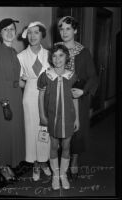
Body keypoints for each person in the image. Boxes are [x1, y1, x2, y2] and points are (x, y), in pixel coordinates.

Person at [57, 16, 98, 179]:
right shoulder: (54, 50)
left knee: (77, 132)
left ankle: (74, 160)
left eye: (68, 28)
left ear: (75, 30)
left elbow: (93, 76)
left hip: (78, 97)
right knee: (59, 130)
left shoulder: (83, 51)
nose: (64, 32)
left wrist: (84, 91)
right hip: (58, 96)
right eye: (61, 28)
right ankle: (60, 161)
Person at [0, 18, 25, 182]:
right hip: (4, 101)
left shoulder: (14, 52)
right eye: (5, 30)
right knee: (3, 135)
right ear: (0, 34)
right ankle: (2, 166)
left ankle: (9, 164)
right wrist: (3, 102)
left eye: (12, 29)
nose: (9, 32)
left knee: (13, 133)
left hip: (16, 98)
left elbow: (17, 76)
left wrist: (24, 82)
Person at [38, 44, 80, 190]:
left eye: (61, 55)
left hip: (69, 118)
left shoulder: (72, 76)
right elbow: (41, 95)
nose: (57, 59)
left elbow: (75, 98)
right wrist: (42, 115)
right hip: (53, 118)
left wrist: (77, 119)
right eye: (54, 56)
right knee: (54, 146)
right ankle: (55, 176)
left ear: (66, 57)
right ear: (51, 58)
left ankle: (63, 174)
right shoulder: (46, 75)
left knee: (66, 146)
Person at [17, 21, 51, 181]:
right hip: (30, 97)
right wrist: (24, 82)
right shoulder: (21, 56)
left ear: (42, 34)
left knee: (45, 129)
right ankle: (36, 165)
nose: (32, 36)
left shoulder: (50, 54)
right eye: (29, 33)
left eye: (36, 32)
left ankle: (44, 162)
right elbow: (19, 81)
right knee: (32, 131)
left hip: (47, 96)